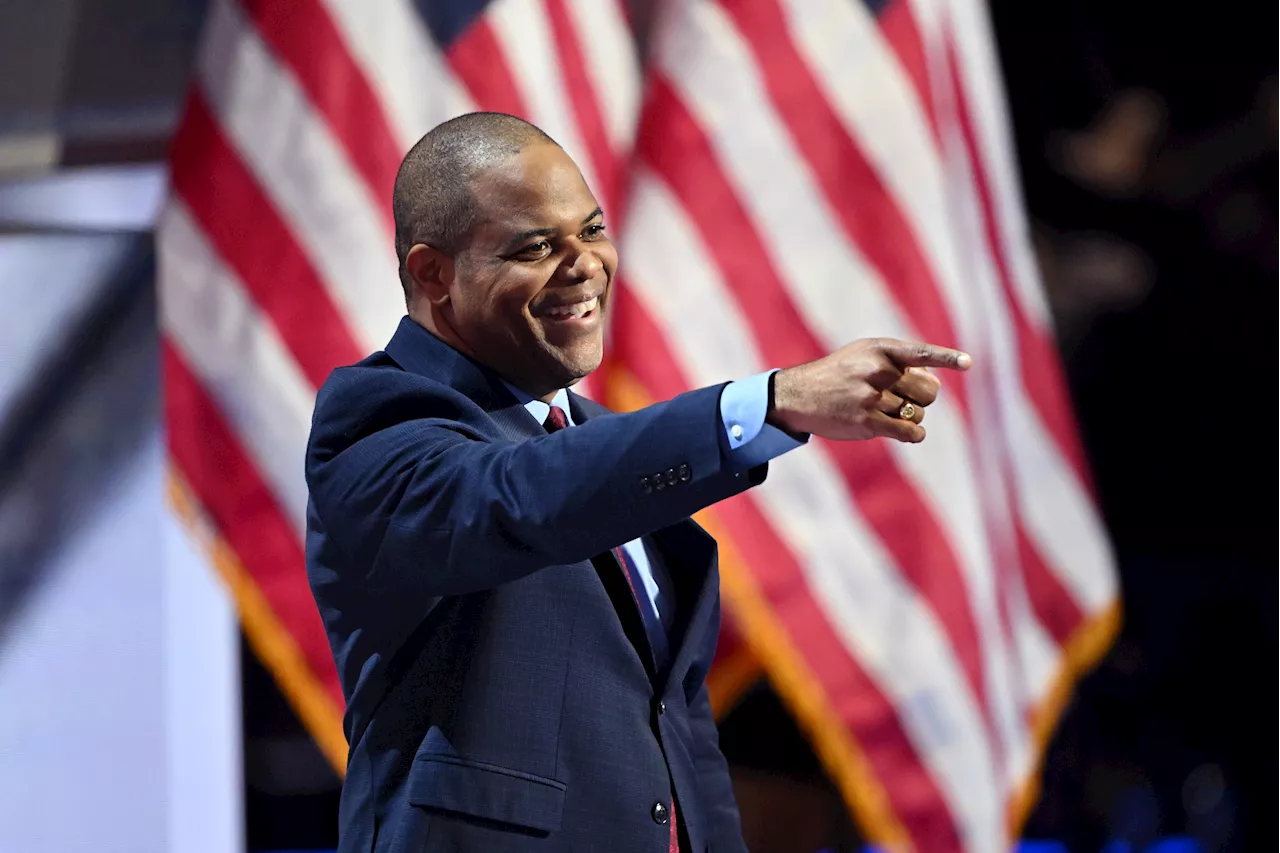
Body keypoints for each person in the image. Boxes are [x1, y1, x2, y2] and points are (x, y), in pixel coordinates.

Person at [304, 112, 970, 853]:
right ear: (434, 272)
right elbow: (517, 496)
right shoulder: (376, 420)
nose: (584, 263)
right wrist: (768, 402)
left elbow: (677, 734)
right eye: (535, 247)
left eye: (590, 230)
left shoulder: (595, 445)